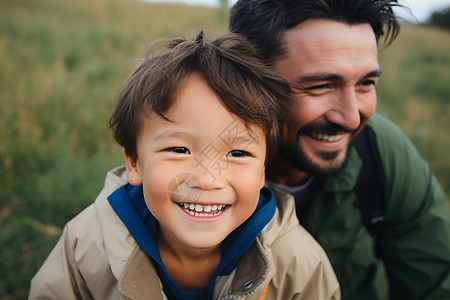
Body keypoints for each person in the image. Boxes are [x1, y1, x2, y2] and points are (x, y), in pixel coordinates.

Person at [28, 31, 340, 300]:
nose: (206, 179)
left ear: (263, 171)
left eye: (238, 154)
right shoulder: (87, 244)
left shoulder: (298, 262)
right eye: (178, 149)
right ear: (134, 163)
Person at [229, 0, 450, 299]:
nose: (352, 118)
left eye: (366, 83)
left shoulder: (380, 150)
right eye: (320, 86)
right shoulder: (186, 162)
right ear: (248, 80)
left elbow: (436, 285)